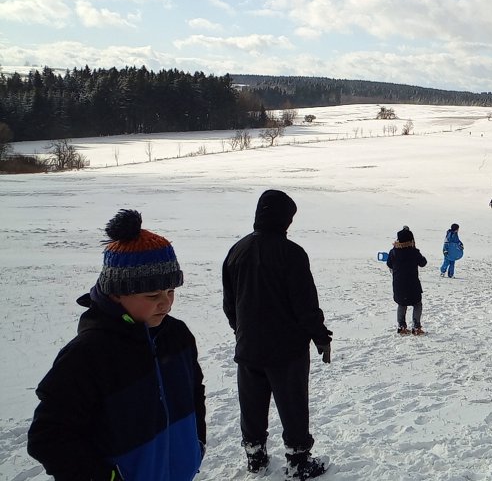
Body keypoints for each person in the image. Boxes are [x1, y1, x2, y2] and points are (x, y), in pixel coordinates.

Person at [28, 209, 206, 481]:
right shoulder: (89, 354)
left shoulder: (177, 335)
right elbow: (48, 435)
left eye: (171, 291)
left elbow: (194, 391)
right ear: (116, 293)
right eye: (152, 294)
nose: (166, 303)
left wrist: (197, 443)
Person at [222, 190, 331, 479]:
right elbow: (305, 304)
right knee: (292, 403)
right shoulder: (291, 253)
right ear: (284, 218)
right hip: (287, 350)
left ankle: (255, 455)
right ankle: (298, 461)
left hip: (248, 347)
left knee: (252, 404)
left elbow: (229, 304)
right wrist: (320, 336)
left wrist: (242, 331)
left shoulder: (236, 250)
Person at [387, 226, 428, 334]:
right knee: (417, 304)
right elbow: (423, 263)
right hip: (412, 284)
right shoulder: (413, 252)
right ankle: (416, 327)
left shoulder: (393, 252)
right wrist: (415, 249)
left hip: (398, 284)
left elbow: (389, 264)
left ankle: (401, 327)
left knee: (401, 304)